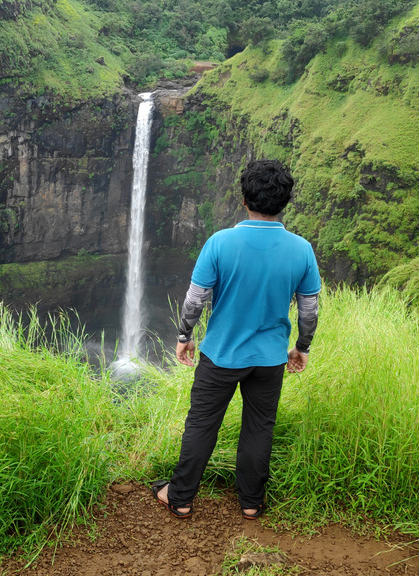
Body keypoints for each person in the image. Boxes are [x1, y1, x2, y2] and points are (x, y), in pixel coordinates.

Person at [151, 159, 321, 520]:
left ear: (244, 199)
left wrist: (185, 336)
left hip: (221, 356)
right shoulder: (302, 249)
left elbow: (195, 299)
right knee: (260, 429)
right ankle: (251, 502)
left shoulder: (220, 242)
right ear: (285, 202)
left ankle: (179, 497)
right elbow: (309, 311)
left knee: (202, 424)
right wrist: (301, 348)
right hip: (270, 359)